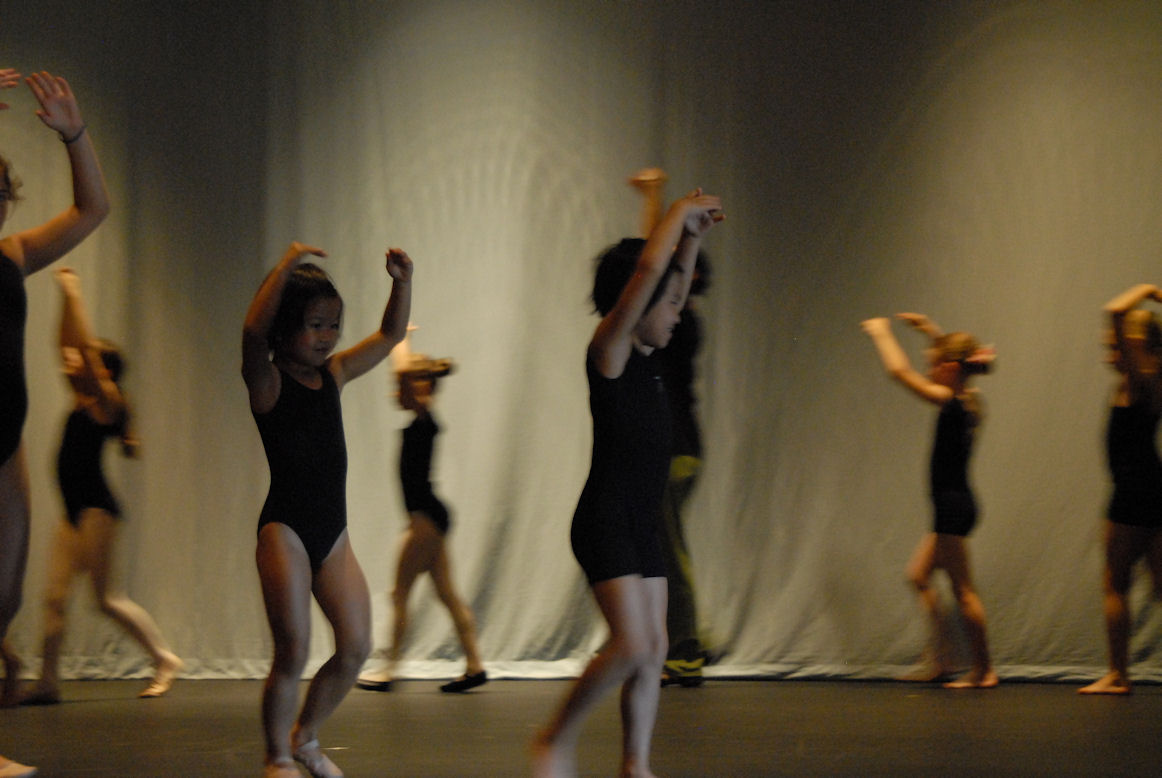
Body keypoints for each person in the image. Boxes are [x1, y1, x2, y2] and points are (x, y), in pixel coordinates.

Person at [531, 188, 723, 778]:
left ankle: (635, 765)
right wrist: (676, 214)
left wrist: (692, 240)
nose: (677, 312)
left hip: (641, 523)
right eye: (667, 303)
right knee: (632, 644)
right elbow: (647, 275)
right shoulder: (610, 351)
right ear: (633, 303)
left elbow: (668, 281)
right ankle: (554, 740)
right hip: (606, 520)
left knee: (654, 649)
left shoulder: (650, 354)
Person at [242, 242, 412, 778]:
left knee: (357, 645)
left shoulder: (334, 375)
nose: (327, 336)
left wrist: (402, 283)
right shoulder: (268, 382)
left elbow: (388, 337)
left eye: (333, 325)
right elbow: (251, 335)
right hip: (285, 531)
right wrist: (283, 268)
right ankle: (277, 757)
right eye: (314, 325)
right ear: (284, 327)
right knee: (293, 650)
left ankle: (306, 736)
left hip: (332, 533)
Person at [0, 69, 109, 778]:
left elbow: (93, 209)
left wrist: (75, 136)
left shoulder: (12, 256)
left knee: (5, 596)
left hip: (4, 445)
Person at [18, 269, 182, 706]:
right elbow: (66, 346)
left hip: (96, 509)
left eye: (85, 363)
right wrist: (64, 301)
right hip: (73, 511)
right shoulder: (83, 400)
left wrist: (74, 292)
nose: (71, 363)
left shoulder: (108, 405)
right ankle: (48, 682)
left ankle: (164, 658)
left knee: (107, 598)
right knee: (54, 599)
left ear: (103, 373)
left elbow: (84, 354)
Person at [860, 313, 998, 689]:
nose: (927, 370)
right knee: (918, 576)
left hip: (952, 508)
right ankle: (942, 658)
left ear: (949, 369)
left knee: (963, 591)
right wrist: (931, 331)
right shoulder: (969, 398)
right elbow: (950, 360)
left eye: (932, 365)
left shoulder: (948, 400)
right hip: (953, 505)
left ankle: (983, 670)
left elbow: (899, 372)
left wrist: (882, 334)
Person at [355, 330, 486, 694]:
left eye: (401, 388)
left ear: (420, 389)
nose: (394, 393)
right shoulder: (422, 421)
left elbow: (406, 375)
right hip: (430, 517)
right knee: (447, 594)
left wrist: (399, 339)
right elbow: (405, 376)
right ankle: (475, 665)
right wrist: (403, 343)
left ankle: (389, 669)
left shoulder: (425, 419)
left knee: (400, 594)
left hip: (425, 519)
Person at [629, 168, 714, 687]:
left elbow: (650, 265)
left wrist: (655, 199)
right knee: (661, 546)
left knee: (667, 550)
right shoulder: (680, 320)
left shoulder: (679, 323)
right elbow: (653, 267)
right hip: (676, 448)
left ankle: (685, 647)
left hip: (676, 450)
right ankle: (681, 638)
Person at [1080, 284, 1162, 695]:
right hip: (1152, 486)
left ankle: (1118, 675)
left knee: (1115, 582)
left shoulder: (1140, 376)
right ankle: (1117, 675)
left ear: (1137, 343)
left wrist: (1148, 291)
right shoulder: (1152, 376)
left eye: (1120, 341)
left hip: (1132, 491)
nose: (1110, 347)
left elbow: (1113, 310)